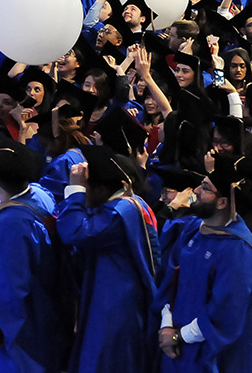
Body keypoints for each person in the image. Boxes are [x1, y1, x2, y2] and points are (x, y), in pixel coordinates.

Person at [154, 154, 252, 373]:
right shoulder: (192, 229)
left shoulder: (239, 250)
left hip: (213, 356)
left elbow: (226, 314)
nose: (196, 191)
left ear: (222, 202)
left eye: (206, 188)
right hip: (176, 349)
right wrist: (166, 324)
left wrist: (178, 336)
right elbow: (169, 280)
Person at [57, 145, 160, 373]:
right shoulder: (130, 203)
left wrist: (74, 189)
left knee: (106, 362)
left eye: (88, 189)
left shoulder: (120, 212)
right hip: (111, 296)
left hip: (116, 305)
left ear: (102, 189)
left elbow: (74, 231)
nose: (85, 197)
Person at [0, 139, 67, 371]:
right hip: (46, 313)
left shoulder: (11, 223)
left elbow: (10, 287)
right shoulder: (41, 198)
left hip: (23, 331)